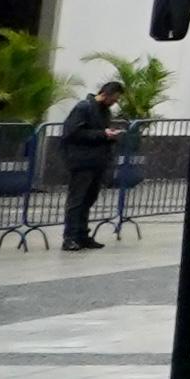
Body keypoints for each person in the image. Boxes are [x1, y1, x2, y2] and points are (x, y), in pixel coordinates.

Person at [57, 79, 125, 251]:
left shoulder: (104, 111)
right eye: (114, 98)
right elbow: (73, 132)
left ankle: (82, 235)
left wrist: (108, 135)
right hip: (82, 161)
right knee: (77, 200)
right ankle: (70, 237)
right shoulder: (84, 108)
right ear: (105, 94)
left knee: (88, 199)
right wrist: (103, 134)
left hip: (97, 161)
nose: (115, 102)